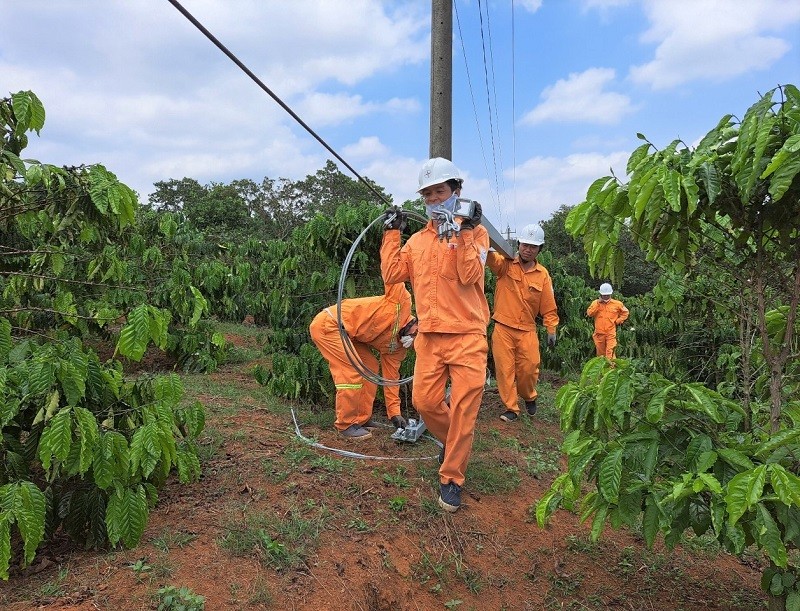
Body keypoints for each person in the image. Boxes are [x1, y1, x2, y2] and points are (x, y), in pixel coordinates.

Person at [380, 157, 490, 513]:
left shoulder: (477, 232)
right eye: (427, 194)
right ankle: (452, 442)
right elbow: (392, 273)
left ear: (456, 191)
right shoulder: (417, 241)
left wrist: (464, 232)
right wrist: (391, 233)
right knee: (426, 403)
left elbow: (470, 275)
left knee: (463, 409)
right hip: (430, 336)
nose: (432, 199)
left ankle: (452, 477)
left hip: (468, 335)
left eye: (439, 191)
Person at [309, 281, 417, 440]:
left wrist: (395, 413)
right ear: (418, 323)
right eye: (417, 335)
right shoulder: (402, 301)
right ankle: (345, 424)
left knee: (370, 366)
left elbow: (390, 378)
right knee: (352, 370)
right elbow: (392, 272)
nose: (414, 341)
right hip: (330, 324)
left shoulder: (398, 347)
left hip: (349, 334)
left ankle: (361, 419)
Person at [487, 223, 559, 423]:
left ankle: (528, 396)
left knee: (529, 369)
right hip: (503, 327)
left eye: (533, 246)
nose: (528, 249)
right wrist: (485, 240)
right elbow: (491, 259)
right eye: (525, 245)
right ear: (518, 244)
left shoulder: (542, 274)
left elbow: (548, 305)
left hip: (527, 329)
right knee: (504, 370)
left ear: (539, 250)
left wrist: (551, 328)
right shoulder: (506, 263)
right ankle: (511, 407)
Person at [586, 282, 629, 359]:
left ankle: (612, 369)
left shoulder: (617, 304)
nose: (605, 296)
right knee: (601, 355)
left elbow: (625, 312)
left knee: (610, 353)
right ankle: (602, 371)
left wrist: (618, 321)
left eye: (607, 295)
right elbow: (589, 313)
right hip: (599, 333)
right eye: (604, 295)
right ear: (600, 294)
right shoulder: (595, 303)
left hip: (610, 333)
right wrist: (598, 304)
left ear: (610, 294)